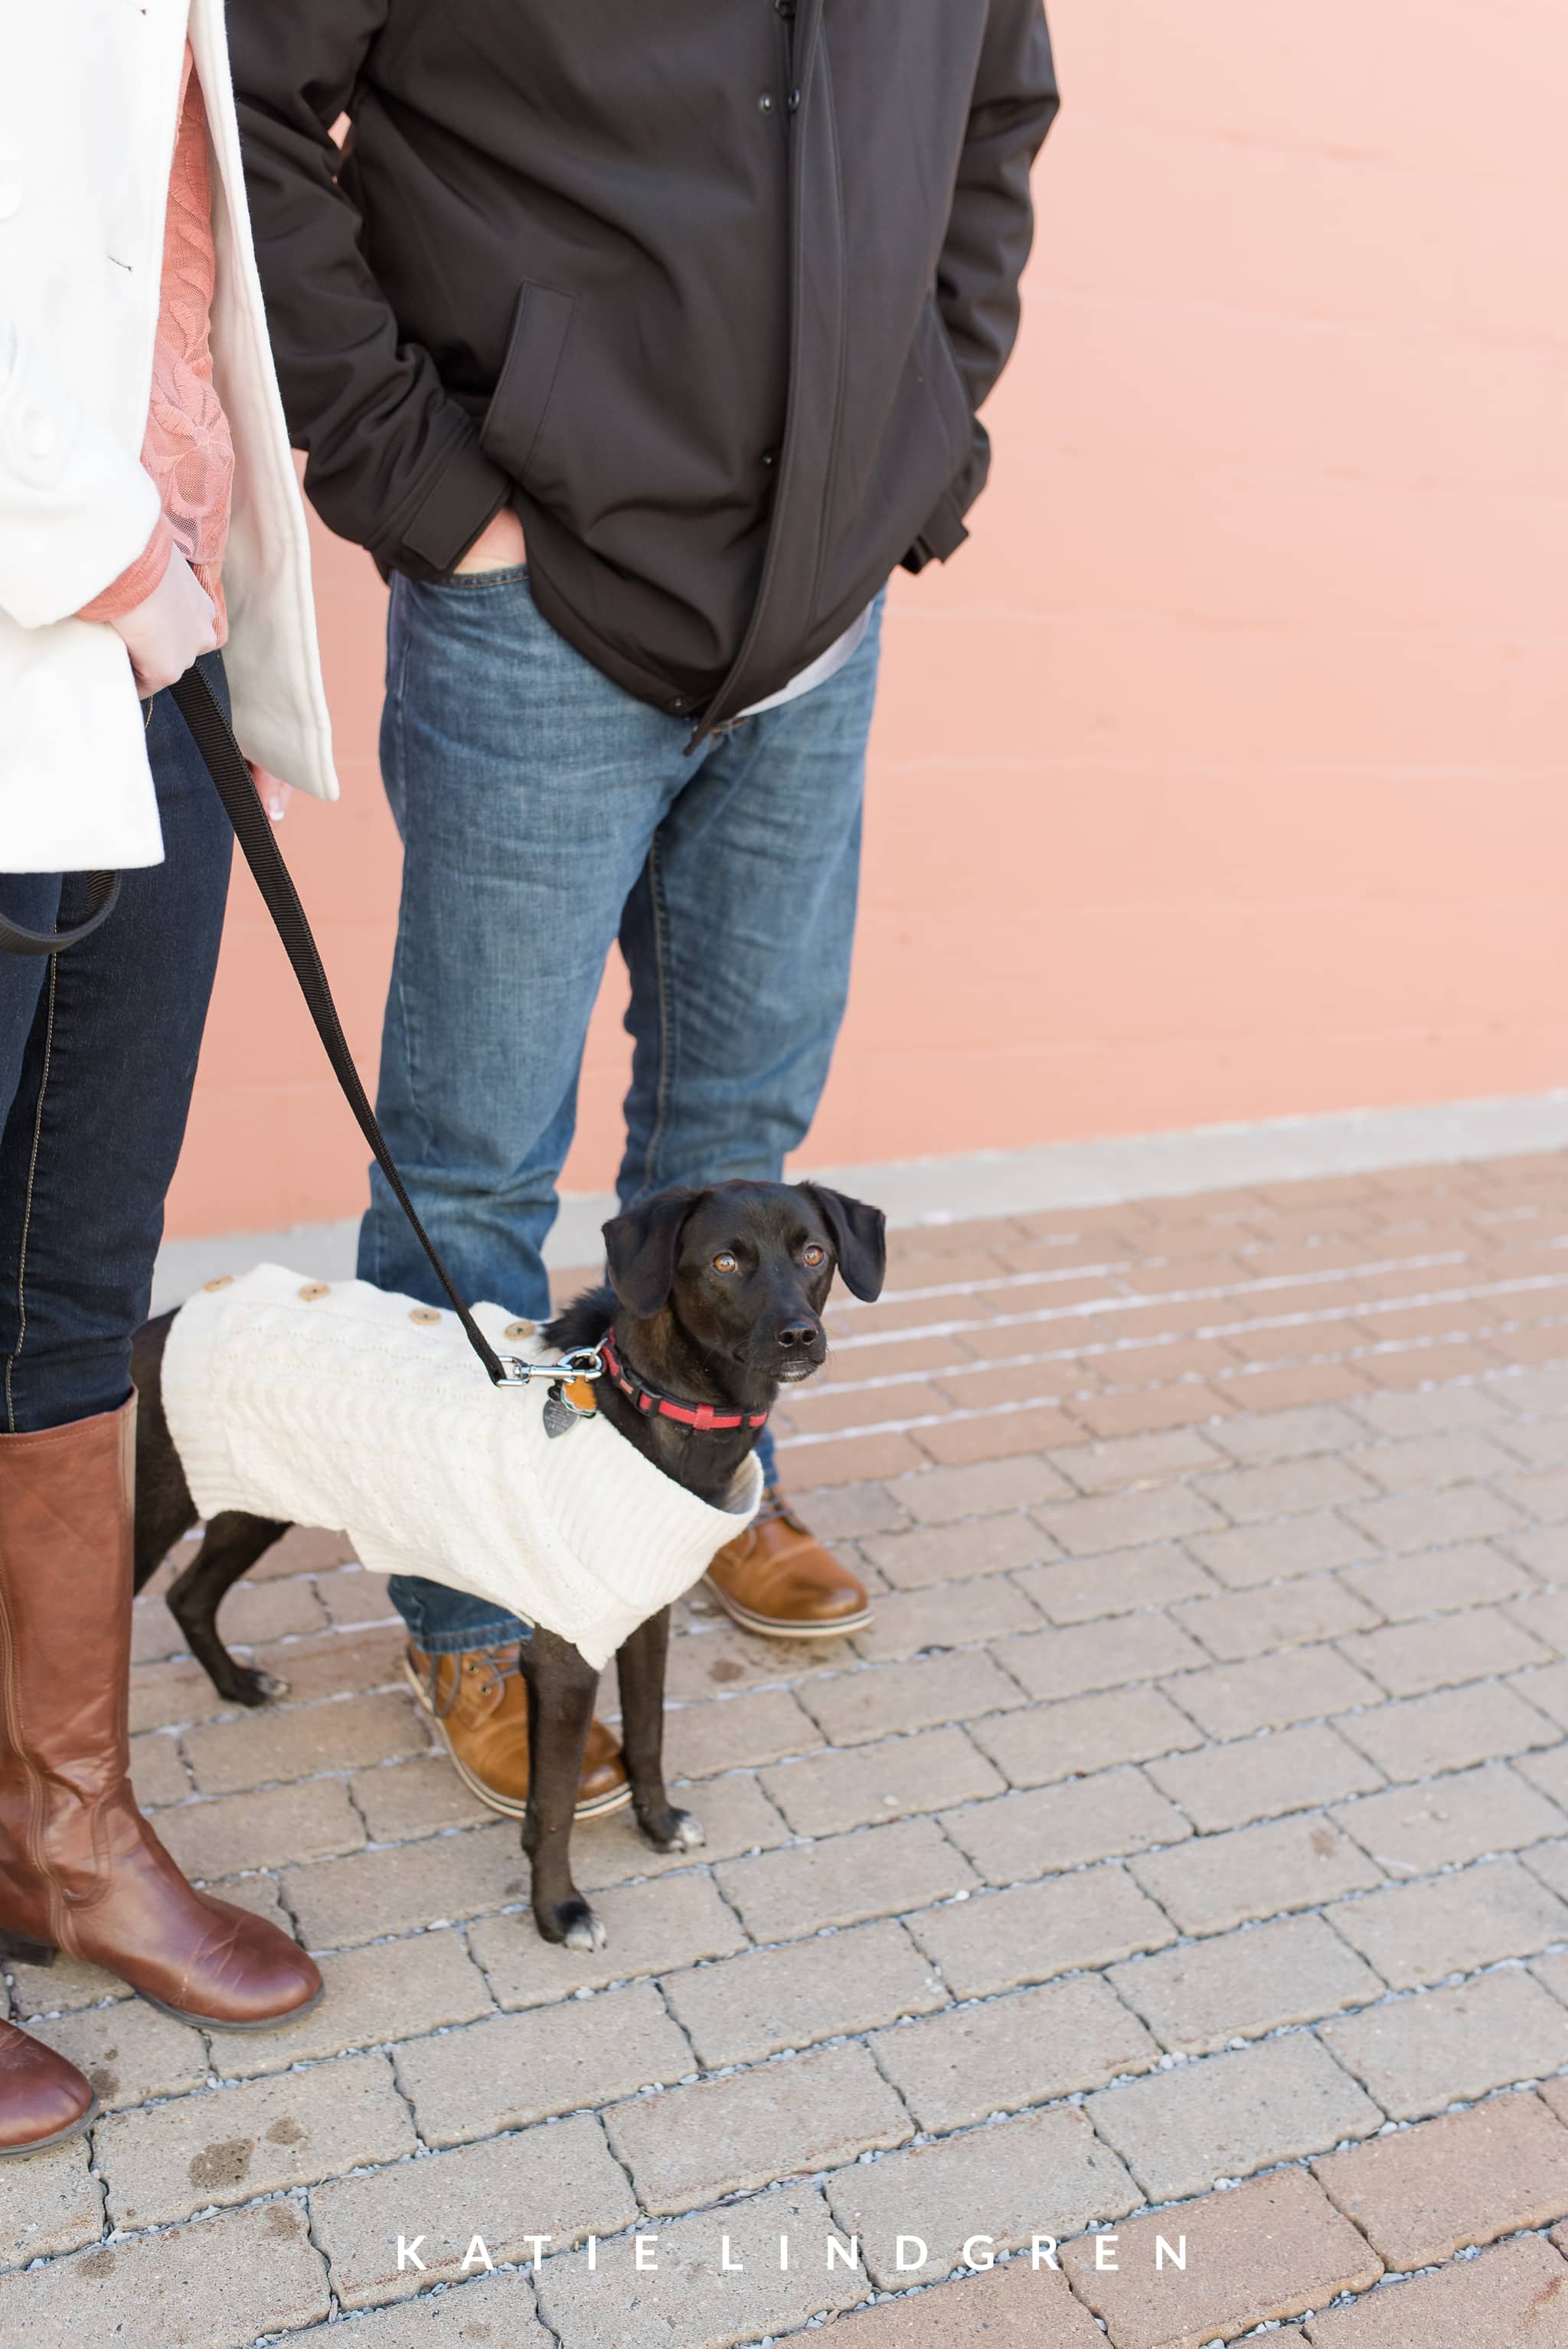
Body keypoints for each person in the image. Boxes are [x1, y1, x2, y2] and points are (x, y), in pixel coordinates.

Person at [231, 4, 1057, 1818]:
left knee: (742, 1120)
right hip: (537, 583)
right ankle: (467, 1603)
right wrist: (416, 481)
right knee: (467, 1166)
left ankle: (701, 1489)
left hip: (817, 601)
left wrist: (915, 440)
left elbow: (996, 116)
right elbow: (258, 97)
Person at [0, 2, 337, 2158]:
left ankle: (63, 1827)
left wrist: (172, 581)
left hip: (148, 671)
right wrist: (88, 541)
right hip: (60, 606)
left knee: (66, 1287)